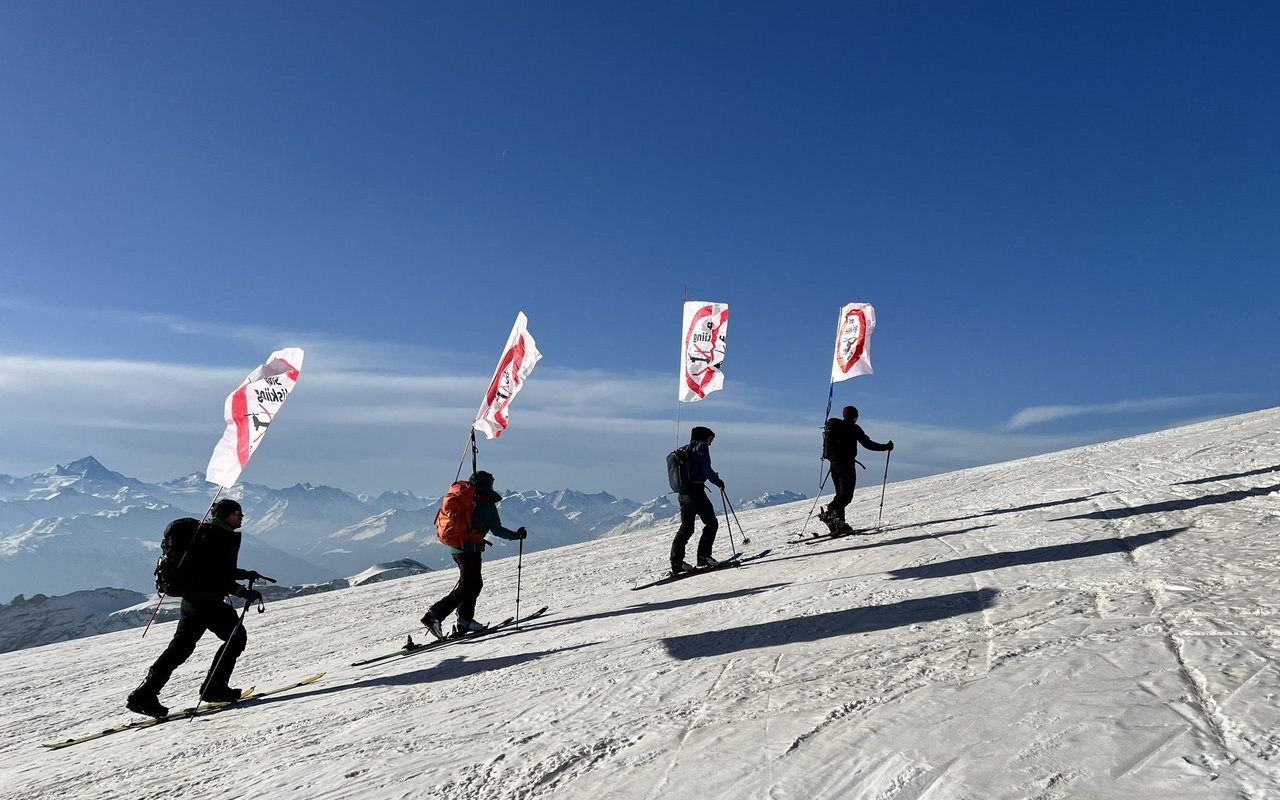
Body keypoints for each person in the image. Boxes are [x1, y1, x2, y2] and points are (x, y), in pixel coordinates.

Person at [127, 498, 265, 717]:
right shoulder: (219, 537)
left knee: (180, 649)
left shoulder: (207, 534)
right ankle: (214, 687)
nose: (241, 517)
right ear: (226, 515)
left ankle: (144, 695)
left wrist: (244, 574)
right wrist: (242, 591)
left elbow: (216, 569)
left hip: (192, 601)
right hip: (207, 602)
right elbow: (216, 575)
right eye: (237, 513)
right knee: (236, 637)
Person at [421, 471, 527, 639]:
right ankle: (435, 615)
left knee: (475, 584)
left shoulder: (467, 501)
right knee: (467, 587)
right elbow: (497, 530)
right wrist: (517, 535)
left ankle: (465, 621)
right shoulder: (486, 505)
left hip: (457, 548)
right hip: (470, 550)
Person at [820, 405, 893, 533]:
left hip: (834, 465)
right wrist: (885, 447)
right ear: (855, 417)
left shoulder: (835, 427)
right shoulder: (854, 428)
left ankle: (839, 523)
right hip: (846, 466)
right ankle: (832, 511)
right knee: (846, 496)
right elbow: (868, 444)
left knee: (840, 495)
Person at [669, 426, 726, 574]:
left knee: (686, 528)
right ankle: (703, 557)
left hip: (683, 493)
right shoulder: (701, 447)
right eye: (710, 439)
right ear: (704, 437)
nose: (711, 443)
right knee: (711, 523)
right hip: (696, 492)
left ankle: (677, 563)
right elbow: (706, 467)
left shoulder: (685, 449)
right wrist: (717, 481)